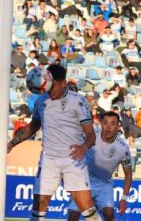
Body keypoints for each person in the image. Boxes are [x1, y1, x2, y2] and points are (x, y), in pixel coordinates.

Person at [7, 64, 101, 221]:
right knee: (38, 209)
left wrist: (84, 147)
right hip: (49, 160)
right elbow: (32, 127)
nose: (50, 90)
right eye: (47, 86)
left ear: (63, 83)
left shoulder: (78, 101)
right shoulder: (41, 101)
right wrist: (12, 143)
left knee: (88, 211)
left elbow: (90, 133)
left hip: (74, 160)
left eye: (53, 86)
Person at [67, 111, 133, 220]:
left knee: (109, 215)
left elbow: (128, 174)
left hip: (104, 185)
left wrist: (124, 198)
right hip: (83, 182)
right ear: (101, 124)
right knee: (73, 215)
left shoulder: (123, 149)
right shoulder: (90, 137)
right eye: (105, 123)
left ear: (118, 127)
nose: (108, 127)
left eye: (113, 124)